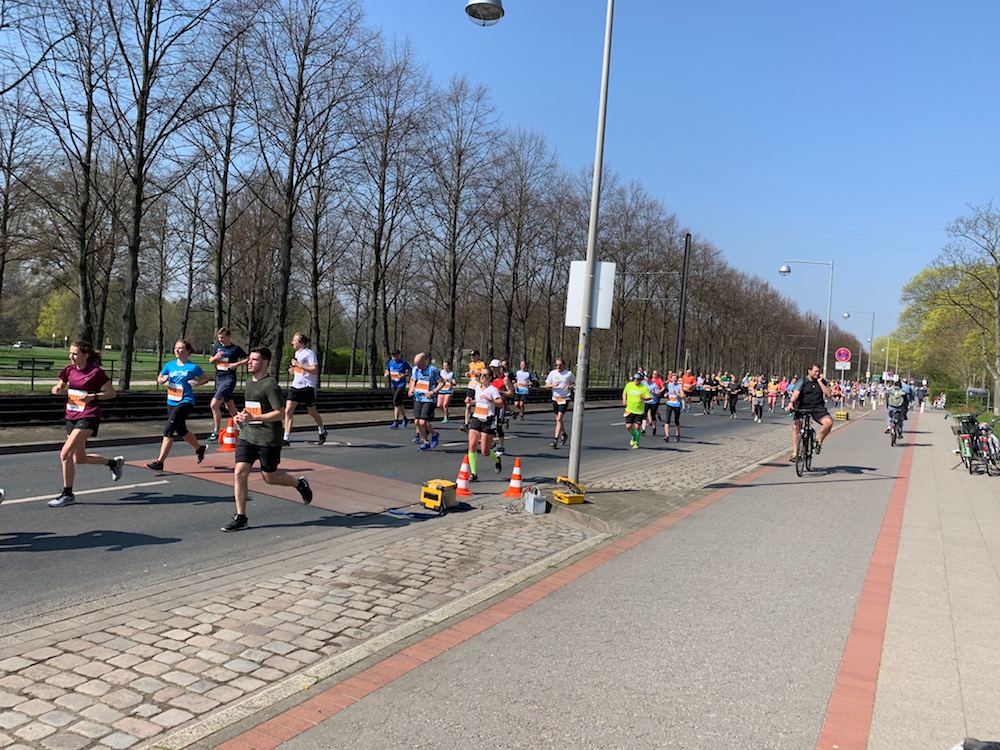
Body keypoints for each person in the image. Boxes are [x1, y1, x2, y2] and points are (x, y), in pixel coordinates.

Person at [222, 347, 312, 532]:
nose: (249, 362)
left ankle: (299, 484)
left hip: (268, 438)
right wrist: (241, 415)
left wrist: (253, 418)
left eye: (254, 360)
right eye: (249, 360)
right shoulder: (248, 383)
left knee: (269, 478)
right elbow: (253, 409)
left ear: (264, 363)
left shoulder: (270, 385)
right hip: (248, 435)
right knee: (239, 472)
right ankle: (241, 517)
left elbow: (280, 413)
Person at [49, 340, 123, 507]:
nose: (71, 356)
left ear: (85, 356)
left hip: (89, 416)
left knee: (65, 454)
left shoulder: (96, 372)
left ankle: (67, 494)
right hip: (71, 415)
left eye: (75, 354)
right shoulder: (68, 370)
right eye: (70, 353)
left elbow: (111, 393)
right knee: (79, 459)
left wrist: (94, 396)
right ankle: (113, 463)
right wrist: (57, 389)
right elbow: (60, 385)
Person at [147, 340, 210, 472]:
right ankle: (200, 449)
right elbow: (160, 376)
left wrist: (197, 383)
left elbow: (205, 378)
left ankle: (160, 462)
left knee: (168, 430)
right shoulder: (170, 365)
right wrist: (162, 380)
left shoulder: (193, 367)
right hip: (171, 400)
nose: (177, 350)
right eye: (176, 348)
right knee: (181, 430)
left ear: (187, 351)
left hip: (185, 401)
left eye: (181, 348)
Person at [283, 332, 327, 445]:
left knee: (311, 411)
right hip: (295, 386)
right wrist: (293, 371)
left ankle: (322, 430)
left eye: (294, 340)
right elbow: (299, 371)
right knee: (288, 411)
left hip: (307, 387)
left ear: (301, 342)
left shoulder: (310, 354)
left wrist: (299, 365)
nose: (292, 342)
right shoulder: (297, 353)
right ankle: (286, 438)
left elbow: (315, 370)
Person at [207, 327, 248, 440]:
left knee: (214, 405)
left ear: (228, 337)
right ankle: (242, 427)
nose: (221, 340)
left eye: (222, 338)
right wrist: (216, 357)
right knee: (230, 406)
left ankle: (216, 430)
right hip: (219, 379)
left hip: (229, 379)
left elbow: (247, 359)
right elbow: (210, 360)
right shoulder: (217, 348)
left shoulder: (235, 349)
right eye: (219, 338)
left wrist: (236, 365)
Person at [786, 363, 834, 459]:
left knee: (829, 422)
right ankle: (796, 452)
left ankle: (818, 441)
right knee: (796, 425)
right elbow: (795, 394)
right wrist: (791, 403)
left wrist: (820, 382)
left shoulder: (822, 381)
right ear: (809, 371)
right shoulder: (803, 381)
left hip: (817, 407)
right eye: (815, 371)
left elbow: (828, 394)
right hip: (802, 406)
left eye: (818, 372)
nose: (817, 373)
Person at [465, 370, 504, 480]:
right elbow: (477, 401)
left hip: (488, 420)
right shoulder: (476, 388)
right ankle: (473, 473)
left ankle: (496, 460)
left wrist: (491, 400)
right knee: (472, 445)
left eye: (485, 375)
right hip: (477, 418)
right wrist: (470, 401)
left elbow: (500, 403)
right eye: (481, 375)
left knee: (485, 451)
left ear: (490, 377)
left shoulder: (493, 390)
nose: (482, 377)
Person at [408, 352, 442, 451]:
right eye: (416, 364)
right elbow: (413, 380)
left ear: (425, 361)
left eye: (420, 364)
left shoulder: (433, 370)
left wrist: (433, 391)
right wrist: (411, 389)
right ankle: (426, 442)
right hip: (418, 397)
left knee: (423, 422)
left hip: (429, 399)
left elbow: (441, 382)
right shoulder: (415, 369)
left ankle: (434, 434)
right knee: (417, 422)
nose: (418, 366)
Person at [544, 357, 575, 449]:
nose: (558, 367)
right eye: (557, 365)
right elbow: (546, 385)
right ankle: (564, 434)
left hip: (564, 398)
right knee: (559, 420)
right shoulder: (552, 373)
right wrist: (552, 385)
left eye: (560, 365)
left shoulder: (568, 374)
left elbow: (576, 383)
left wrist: (570, 387)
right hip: (555, 398)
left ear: (564, 365)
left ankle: (555, 440)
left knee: (559, 418)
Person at [622, 371, 651, 449]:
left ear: (640, 380)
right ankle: (633, 435)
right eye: (634, 379)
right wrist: (624, 400)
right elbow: (624, 392)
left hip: (639, 411)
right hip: (629, 409)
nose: (636, 381)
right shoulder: (629, 385)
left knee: (637, 427)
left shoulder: (643, 388)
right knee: (628, 426)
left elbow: (649, 397)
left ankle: (636, 443)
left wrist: (643, 397)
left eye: (638, 379)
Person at [461, 350, 487, 432]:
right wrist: (468, 374)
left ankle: (477, 423)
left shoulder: (482, 364)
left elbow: (484, 374)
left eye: (474, 356)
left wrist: (477, 373)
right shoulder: (471, 364)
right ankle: (466, 424)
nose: (472, 357)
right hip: (471, 386)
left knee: (477, 404)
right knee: (468, 404)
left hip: (478, 386)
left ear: (478, 356)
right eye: (471, 356)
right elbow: (470, 374)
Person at [385, 348, 411, 429]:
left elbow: (409, 370)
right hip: (394, 384)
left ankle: (396, 420)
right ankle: (404, 419)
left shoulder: (403, 363)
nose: (393, 357)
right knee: (398, 402)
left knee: (395, 400)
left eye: (395, 355)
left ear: (399, 355)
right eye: (392, 355)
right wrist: (387, 372)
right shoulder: (390, 362)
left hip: (401, 384)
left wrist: (404, 375)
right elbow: (387, 369)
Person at [662, 372, 683, 442]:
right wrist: (666, 394)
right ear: (671, 379)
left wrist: (677, 393)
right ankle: (667, 435)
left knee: (676, 421)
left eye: (675, 378)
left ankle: (677, 434)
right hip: (669, 404)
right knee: (667, 420)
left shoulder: (679, 386)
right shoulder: (669, 385)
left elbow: (683, 396)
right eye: (673, 378)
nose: (674, 380)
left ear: (677, 379)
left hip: (677, 405)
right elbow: (668, 392)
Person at [641, 371, 661, 436]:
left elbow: (658, 393)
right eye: (645, 378)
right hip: (645, 401)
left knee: (652, 416)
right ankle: (643, 430)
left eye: (648, 379)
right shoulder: (643, 383)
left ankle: (654, 428)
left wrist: (653, 392)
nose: (647, 380)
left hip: (653, 402)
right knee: (644, 416)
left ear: (650, 379)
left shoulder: (654, 385)